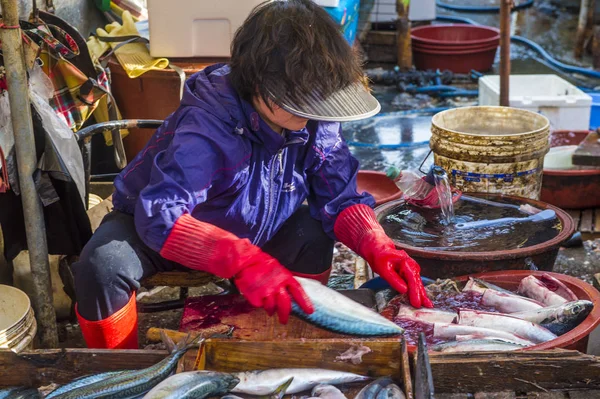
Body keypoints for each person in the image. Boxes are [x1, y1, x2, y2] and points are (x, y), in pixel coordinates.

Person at [71, 0, 433, 350]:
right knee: (102, 265)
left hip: (261, 229)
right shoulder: (208, 125)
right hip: (169, 235)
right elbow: (161, 214)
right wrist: (240, 260)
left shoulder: (316, 119)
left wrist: (377, 244)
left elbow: (338, 196)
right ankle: (121, 369)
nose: (313, 115)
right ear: (262, 86)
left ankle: (286, 340)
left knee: (311, 232)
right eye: (303, 104)